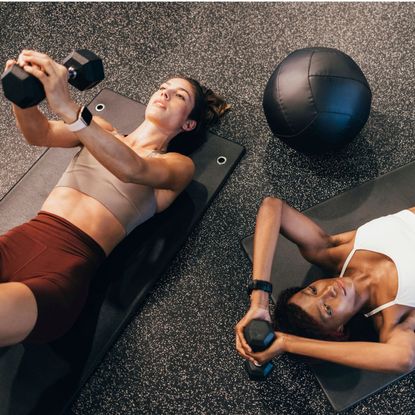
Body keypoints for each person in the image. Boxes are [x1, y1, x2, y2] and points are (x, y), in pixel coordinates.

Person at [0, 50, 229, 346]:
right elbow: (39, 133)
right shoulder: (101, 129)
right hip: (19, 241)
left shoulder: (177, 165)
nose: (165, 94)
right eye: (162, 88)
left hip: (63, 271)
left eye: (179, 96)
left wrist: (68, 107)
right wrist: (22, 94)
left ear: (188, 124)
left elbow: (131, 169)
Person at [235, 197, 415, 373]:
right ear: (339, 330)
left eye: (312, 290)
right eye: (327, 309)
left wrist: (259, 299)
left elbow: (273, 206)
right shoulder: (393, 320)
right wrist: (287, 343)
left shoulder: (330, 252)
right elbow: (403, 359)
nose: (330, 290)